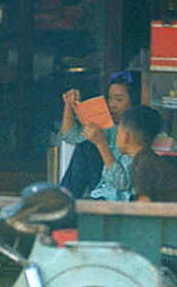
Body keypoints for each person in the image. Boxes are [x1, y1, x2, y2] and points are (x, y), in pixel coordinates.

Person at [58, 71, 137, 201]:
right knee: (85, 145)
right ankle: (62, 198)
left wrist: (101, 144)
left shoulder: (137, 132)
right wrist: (69, 106)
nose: (111, 104)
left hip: (117, 196)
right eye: (110, 98)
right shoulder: (110, 126)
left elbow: (121, 183)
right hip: (100, 186)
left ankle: (63, 200)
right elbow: (70, 136)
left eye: (118, 99)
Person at [116, 105, 177, 203]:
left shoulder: (144, 165)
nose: (116, 136)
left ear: (125, 136)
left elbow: (143, 206)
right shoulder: (147, 159)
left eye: (118, 132)